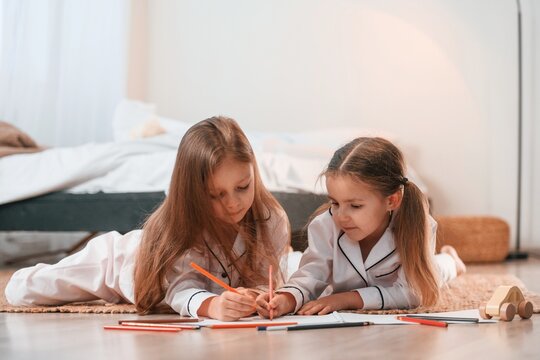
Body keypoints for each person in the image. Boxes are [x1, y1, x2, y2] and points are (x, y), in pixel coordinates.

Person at [5, 116, 290, 321]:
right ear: (193, 192)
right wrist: (213, 306)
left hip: (158, 287)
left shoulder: (272, 220)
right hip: (118, 266)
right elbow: (181, 288)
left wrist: (259, 297)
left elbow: (266, 279)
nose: (233, 204)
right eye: (216, 194)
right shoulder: (183, 227)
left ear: (253, 172)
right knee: (22, 290)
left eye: (243, 187)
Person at [256, 137, 466, 317]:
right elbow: (311, 274)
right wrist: (286, 298)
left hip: (427, 266)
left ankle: (452, 260)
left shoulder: (417, 225)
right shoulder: (324, 225)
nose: (341, 216)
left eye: (355, 206)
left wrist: (347, 299)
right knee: (294, 263)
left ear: (392, 201)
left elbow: (414, 292)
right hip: (326, 274)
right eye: (335, 203)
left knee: (438, 271)